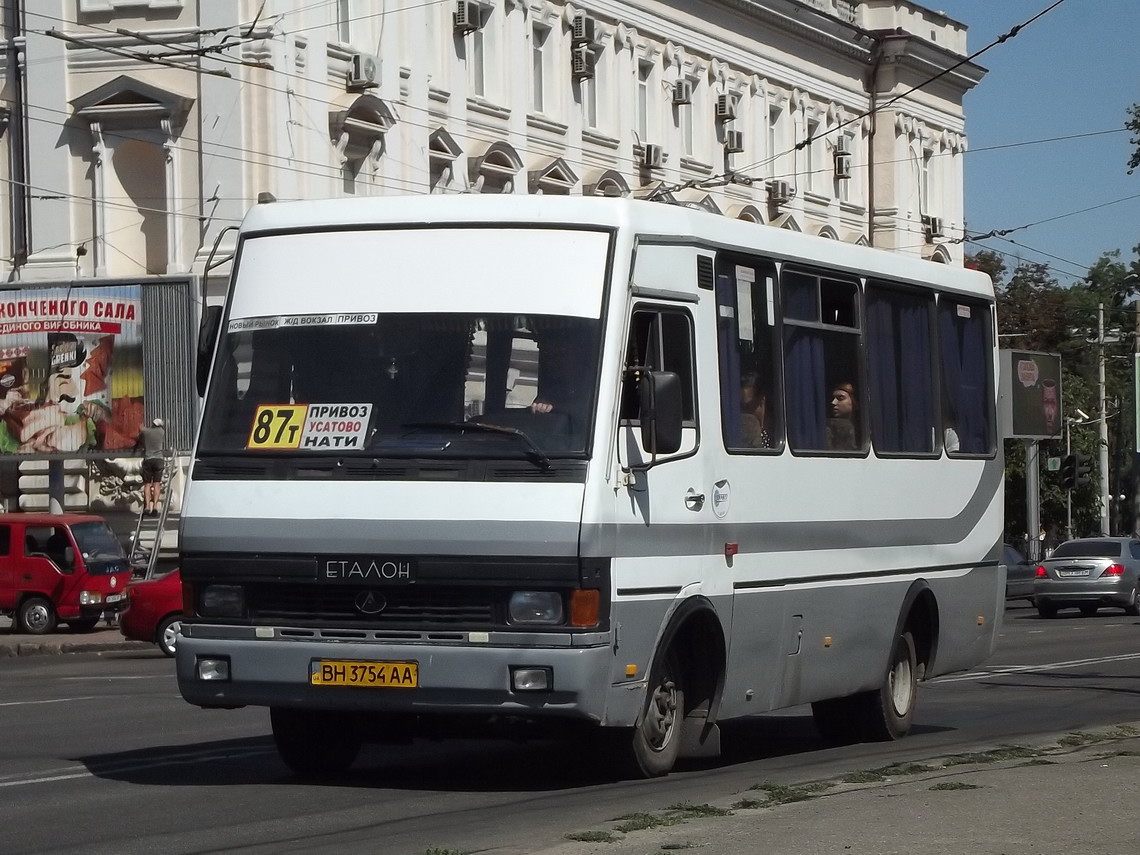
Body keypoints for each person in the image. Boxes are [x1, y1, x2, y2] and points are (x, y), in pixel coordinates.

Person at [134, 418, 167, 516]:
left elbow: (140, 428)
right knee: (157, 484)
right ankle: (155, 506)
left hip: (148, 460)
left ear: (152, 424)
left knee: (147, 484)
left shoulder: (146, 431)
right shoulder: (162, 432)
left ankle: (147, 506)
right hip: (159, 460)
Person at [739, 371, 771, 448]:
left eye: (747, 406)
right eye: (741, 407)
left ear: (761, 401)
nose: (743, 412)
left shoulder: (778, 432)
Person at [826, 381, 858, 451]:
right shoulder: (828, 429)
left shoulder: (863, 430)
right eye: (833, 398)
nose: (833, 402)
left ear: (854, 401)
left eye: (840, 398)